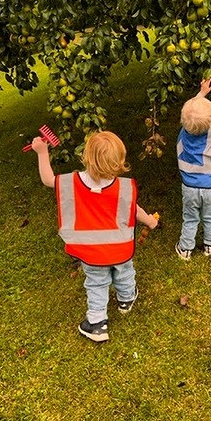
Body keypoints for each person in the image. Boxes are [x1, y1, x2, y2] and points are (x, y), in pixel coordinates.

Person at [31, 131, 158, 343]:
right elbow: (134, 210)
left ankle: (97, 323)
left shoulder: (73, 182)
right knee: (124, 272)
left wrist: (42, 152)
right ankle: (126, 300)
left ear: (86, 157)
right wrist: (151, 221)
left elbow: (47, 179)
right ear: (119, 161)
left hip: (91, 252)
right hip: (120, 249)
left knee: (97, 283)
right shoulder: (123, 187)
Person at [175, 75, 211, 261]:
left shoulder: (183, 131)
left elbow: (191, 115)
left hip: (189, 187)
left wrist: (202, 93)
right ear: (210, 119)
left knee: (190, 218)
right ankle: (210, 245)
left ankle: (185, 248)